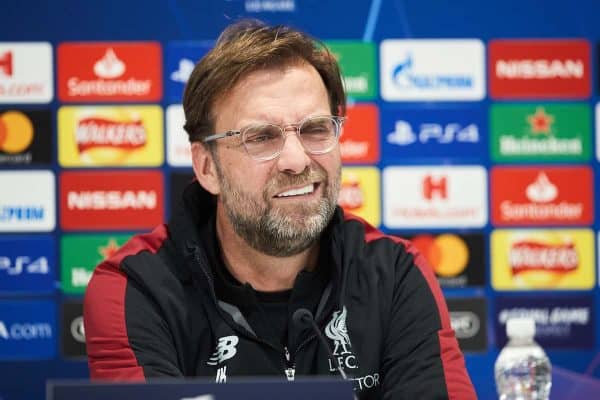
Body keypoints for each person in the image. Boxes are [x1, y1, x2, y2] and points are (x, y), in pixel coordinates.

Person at [83, 19, 476, 399]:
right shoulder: (136, 287)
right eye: (261, 137)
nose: (296, 160)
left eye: (316, 129)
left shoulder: (393, 275)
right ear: (207, 167)